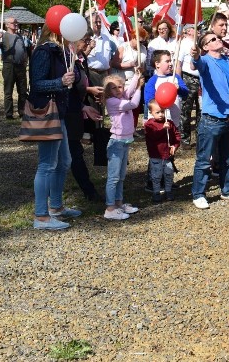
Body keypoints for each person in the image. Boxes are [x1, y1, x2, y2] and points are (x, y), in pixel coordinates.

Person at [29, 24, 79, 231]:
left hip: (59, 113)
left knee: (63, 161)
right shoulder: (44, 51)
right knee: (47, 164)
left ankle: (56, 207)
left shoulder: (60, 52)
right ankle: (41, 216)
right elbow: (37, 83)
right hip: (47, 113)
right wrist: (60, 81)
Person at [190, 15, 229, 207]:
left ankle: (227, 190)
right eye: (212, 39)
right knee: (204, 159)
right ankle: (198, 194)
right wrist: (195, 55)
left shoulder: (227, 60)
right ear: (205, 47)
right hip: (212, 117)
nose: (217, 39)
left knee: (228, 158)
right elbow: (196, 64)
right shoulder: (204, 60)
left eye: (217, 37)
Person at [64, 30, 102, 202]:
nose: (88, 43)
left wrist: (90, 94)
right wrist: (83, 102)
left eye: (89, 40)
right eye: (85, 40)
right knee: (73, 153)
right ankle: (88, 191)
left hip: (78, 109)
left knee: (74, 152)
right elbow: (66, 90)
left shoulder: (81, 59)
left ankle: (89, 188)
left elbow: (81, 82)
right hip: (66, 113)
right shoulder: (66, 61)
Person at [102, 72, 143, 220]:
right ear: (108, 91)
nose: (118, 90)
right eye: (113, 88)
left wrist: (136, 77)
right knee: (113, 177)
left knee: (121, 176)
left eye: (120, 86)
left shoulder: (121, 96)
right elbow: (133, 103)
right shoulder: (113, 102)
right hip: (116, 142)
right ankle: (110, 207)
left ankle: (118, 203)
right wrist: (139, 88)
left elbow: (128, 91)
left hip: (125, 142)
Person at [0, 17, 28, 120]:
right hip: (9, 66)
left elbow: (24, 50)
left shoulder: (20, 36)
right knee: (8, 91)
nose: (16, 24)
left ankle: (22, 111)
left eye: (16, 22)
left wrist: (25, 60)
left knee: (23, 90)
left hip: (21, 66)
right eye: (13, 23)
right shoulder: (3, 36)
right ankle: (9, 113)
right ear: (7, 25)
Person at [144, 99, 181, 202]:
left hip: (167, 155)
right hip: (156, 155)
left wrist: (175, 146)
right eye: (157, 112)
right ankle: (156, 192)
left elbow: (177, 136)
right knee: (156, 175)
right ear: (151, 113)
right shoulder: (149, 125)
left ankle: (168, 191)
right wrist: (163, 130)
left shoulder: (170, 123)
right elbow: (153, 136)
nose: (160, 114)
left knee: (169, 173)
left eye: (162, 111)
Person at [143, 50, 189, 127]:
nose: (170, 64)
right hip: (158, 122)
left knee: (174, 138)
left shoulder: (175, 77)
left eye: (170, 61)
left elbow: (186, 93)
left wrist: (179, 89)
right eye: (167, 61)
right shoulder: (153, 81)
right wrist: (162, 106)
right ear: (157, 64)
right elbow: (149, 101)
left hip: (174, 120)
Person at [175, 24, 200, 145]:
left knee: (201, 111)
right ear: (188, 30)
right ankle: (184, 139)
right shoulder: (183, 43)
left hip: (201, 80)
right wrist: (179, 82)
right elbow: (178, 64)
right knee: (186, 110)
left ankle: (201, 139)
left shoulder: (200, 42)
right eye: (196, 28)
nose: (199, 30)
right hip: (188, 78)